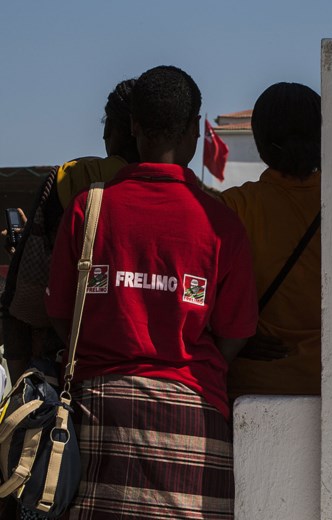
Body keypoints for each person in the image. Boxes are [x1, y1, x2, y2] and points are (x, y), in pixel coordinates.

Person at [45, 65, 257, 519]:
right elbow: (236, 331)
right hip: (196, 414)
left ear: (133, 127)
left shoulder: (88, 209)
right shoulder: (222, 224)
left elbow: (60, 312)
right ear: (194, 131)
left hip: (98, 411)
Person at [1, 79, 139, 386]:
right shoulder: (187, 196)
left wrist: (20, 381)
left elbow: (24, 296)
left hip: (67, 366)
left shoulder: (72, 179)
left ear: (112, 129)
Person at [220, 82, 322, 396]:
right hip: (330, 380)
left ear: (261, 142)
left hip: (252, 383)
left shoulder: (232, 207)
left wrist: (236, 338)